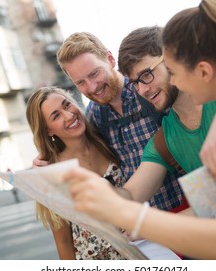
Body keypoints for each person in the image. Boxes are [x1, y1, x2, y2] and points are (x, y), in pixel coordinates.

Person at [65, 0, 216, 259]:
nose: (142, 91)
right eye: (136, 83)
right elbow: (215, 204)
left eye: (171, 71)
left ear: (202, 69)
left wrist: (136, 218)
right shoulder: (168, 135)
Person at [34, 32, 187, 213]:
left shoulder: (151, 89)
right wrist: (50, 161)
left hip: (189, 208)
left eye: (94, 73)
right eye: (80, 82)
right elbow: (81, 152)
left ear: (110, 59)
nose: (92, 87)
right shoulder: (94, 116)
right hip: (144, 227)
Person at [26, 86, 126, 260]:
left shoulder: (106, 140)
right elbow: (63, 241)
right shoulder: (54, 173)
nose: (69, 115)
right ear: (48, 130)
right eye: (56, 116)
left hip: (140, 252)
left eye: (67, 105)